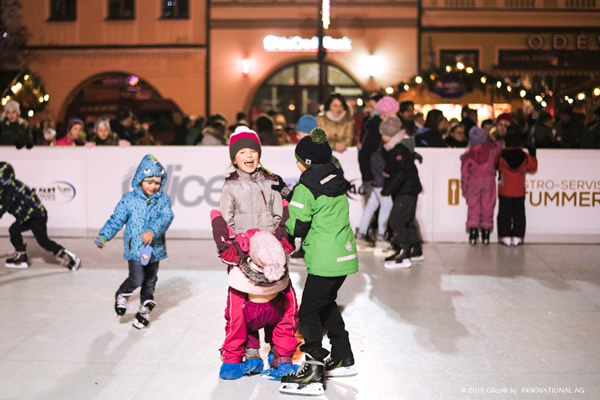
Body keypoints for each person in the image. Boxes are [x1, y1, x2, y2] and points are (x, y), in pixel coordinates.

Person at [280, 127, 358, 396]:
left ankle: (313, 369)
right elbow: (317, 205)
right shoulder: (335, 179)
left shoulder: (306, 186)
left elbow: (298, 226)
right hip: (344, 256)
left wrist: (282, 229)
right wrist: (291, 194)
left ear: (303, 162)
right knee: (325, 304)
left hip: (324, 260)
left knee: (308, 314)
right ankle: (343, 356)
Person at [216, 126, 299, 380]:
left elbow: (281, 216)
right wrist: (236, 246)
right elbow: (224, 220)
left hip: (271, 255)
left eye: (253, 151)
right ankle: (249, 354)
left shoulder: (272, 182)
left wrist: (276, 243)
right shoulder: (230, 187)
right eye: (242, 152)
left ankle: (280, 355)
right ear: (234, 158)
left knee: (282, 303)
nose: (249, 156)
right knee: (242, 309)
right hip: (244, 258)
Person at [93, 154, 174, 329]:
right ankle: (122, 294)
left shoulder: (163, 200)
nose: (153, 186)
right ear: (140, 179)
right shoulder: (129, 200)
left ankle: (144, 308)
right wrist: (103, 236)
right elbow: (116, 219)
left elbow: (167, 216)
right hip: (135, 249)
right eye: (149, 181)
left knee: (150, 280)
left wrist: (152, 231)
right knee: (137, 278)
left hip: (155, 248)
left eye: (157, 183)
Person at [0, 162, 80, 270]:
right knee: (14, 230)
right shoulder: (11, 186)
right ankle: (21, 255)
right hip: (27, 217)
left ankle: (70, 257)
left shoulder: (9, 190)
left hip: (36, 217)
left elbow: (2, 207)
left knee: (43, 241)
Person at [356, 97, 399, 252]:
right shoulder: (376, 130)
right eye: (394, 113)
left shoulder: (379, 127)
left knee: (373, 204)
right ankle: (381, 237)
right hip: (378, 172)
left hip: (377, 172)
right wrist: (368, 177)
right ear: (386, 114)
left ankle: (361, 234)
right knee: (387, 204)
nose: (396, 117)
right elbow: (364, 154)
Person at [380, 121, 423, 268]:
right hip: (410, 189)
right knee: (408, 220)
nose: (382, 137)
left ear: (390, 135)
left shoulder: (398, 150)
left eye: (384, 134)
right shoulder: (398, 148)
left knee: (396, 221)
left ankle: (403, 251)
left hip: (406, 190)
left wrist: (388, 189)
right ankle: (415, 249)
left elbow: (402, 172)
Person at [460, 127, 503, 245]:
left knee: (473, 206)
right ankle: (485, 233)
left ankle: (473, 233)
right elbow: (499, 145)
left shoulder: (468, 155)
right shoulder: (492, 150)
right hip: (489, 181)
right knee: (488, 205)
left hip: (474, 182)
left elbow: (464, 174)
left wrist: (464, 189)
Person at [497, 128, 538, 247]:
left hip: (505, 190)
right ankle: (517, 236)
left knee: (504, 214)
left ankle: (504, 236)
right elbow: (532, 167)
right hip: (519, 190)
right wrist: (533, 154)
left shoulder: (501, 156)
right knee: (519, 214)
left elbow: (495, 165)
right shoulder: (524, 156)